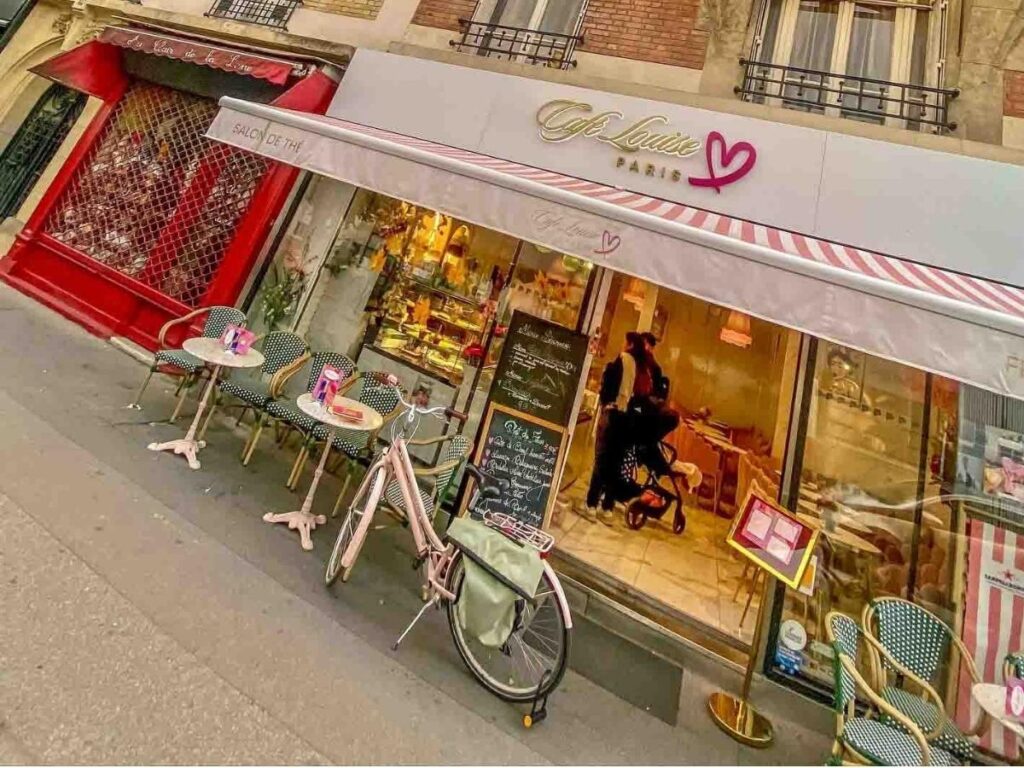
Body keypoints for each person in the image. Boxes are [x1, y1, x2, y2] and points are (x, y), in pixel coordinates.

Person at [584, 332, 645, 524]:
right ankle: (607, 507)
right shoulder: (638, 366)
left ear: (629, 344)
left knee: (602, 460)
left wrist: (607, 402)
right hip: (626, 419)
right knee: (615, 464)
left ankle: (591, 504)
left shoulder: (621, 360)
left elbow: (606, 389)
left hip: (612, 415)